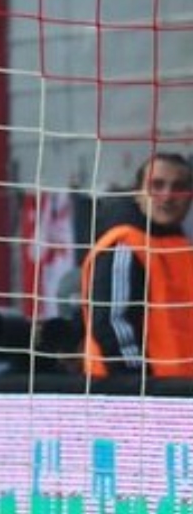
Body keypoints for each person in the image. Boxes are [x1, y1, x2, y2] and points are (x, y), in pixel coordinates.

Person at [81, 152, 193, 379]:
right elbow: (112, 322)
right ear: (138, 193)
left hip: (178, 390)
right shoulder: (125, 244)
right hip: (137, 396)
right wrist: (136, 383)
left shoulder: (181, 247)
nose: (167, 196)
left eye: (178, 187)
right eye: (157, 185)